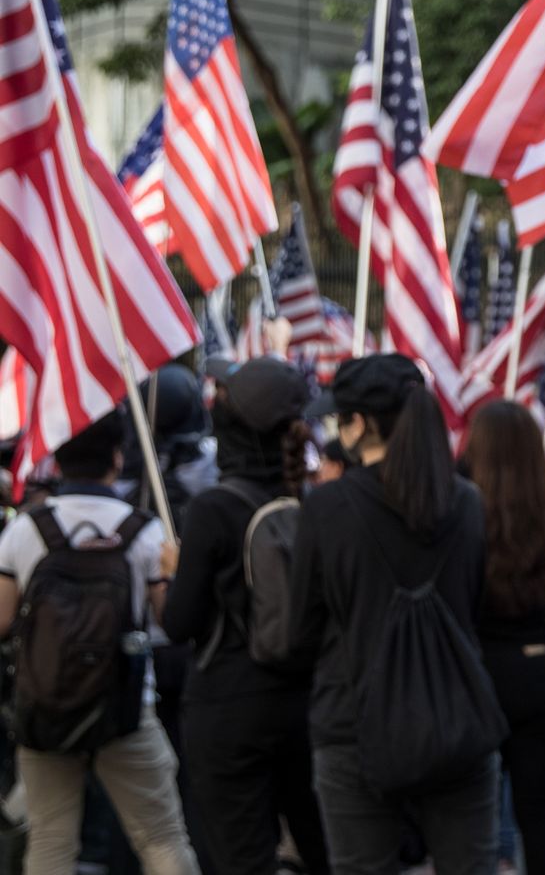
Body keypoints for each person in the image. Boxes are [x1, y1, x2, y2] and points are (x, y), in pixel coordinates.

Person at [291, 355, 499, 874]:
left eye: (341, 418)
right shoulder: (467, 503)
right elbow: (477, 607)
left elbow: (299, 632)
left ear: (360, 424)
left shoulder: (325, 508)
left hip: (351, 726)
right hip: (458, 719)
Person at [0, 410, 200, 875]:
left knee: (50, 840)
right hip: (126, 708)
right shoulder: (143, 529)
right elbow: (170, 623)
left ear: (57, 460)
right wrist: (175, 573)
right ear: (116, 457)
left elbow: (3, 620)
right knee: (162, 837)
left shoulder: (26, 529)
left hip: (44, 708)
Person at [160, 358, 331, 875]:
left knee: (240, 858)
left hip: (227, 709)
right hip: (302, 702)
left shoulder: (213, 509)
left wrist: (175, 569)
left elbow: (178, 624)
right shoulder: (312, 501)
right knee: (321, 847)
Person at [466, 400, 545, 875]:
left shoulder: (463, 516)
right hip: (543, 677)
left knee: (475, 822)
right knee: (540, 814)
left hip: (479, 679)